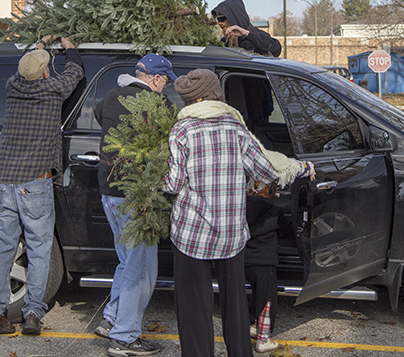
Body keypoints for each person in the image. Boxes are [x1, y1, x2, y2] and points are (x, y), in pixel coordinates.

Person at [163, 69, 314, 357]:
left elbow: (173, 183)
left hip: (192, 233)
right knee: (234, 305)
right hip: (231, 234)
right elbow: (266, 172)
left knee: (195, 305)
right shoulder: (236, 129)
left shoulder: (182, 130)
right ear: (215, 96)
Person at [0, 35, 84, 336]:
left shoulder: (12, 88)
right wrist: (69, 49)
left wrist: (39, 46)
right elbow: (74, 73)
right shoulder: (53, 90)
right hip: (35, 183)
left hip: (5, 182)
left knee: (2, 247)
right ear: (44, 73)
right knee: (39, 249)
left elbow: (23, 71)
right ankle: (32, 314)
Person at [93, 53, 176, 357]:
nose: (166, 88)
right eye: (165, 82)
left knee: (127, 262)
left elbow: (103, 117)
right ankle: (124, 337)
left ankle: (112, 319)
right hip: (136, 197)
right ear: (155, 79)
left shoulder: (111, 96)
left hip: (109, 191)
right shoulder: (157, 105)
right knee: (141, 270)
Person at [244, 194, 293, 353]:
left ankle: (253, 326)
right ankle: (263, 338)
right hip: (264, 261)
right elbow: (290, 230)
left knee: (255, 294)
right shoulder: (274, 211)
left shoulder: (241, 206)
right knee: (267, 298)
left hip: (244, 259)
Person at [212, 0, 282, 57]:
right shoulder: (224, 42)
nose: (219, 23)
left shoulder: (256, 36)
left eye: (221, 18)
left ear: (233, 17)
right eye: (217, 19)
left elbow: (275, 50)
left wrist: (247, 34)